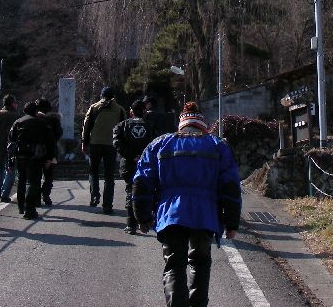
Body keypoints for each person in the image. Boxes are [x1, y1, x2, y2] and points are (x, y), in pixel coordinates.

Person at [132, 102, 241, 307]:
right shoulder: (217, 145)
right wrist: (232, 222)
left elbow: (141, 181)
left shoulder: (160, 144)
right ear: (202, 124)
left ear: (181, 123)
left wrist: (142, 217)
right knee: (200, 262)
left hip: (170, 214)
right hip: (205, 214)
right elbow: (231, 186)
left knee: (174, 264)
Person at [112, 98, 155, 234]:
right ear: (144, 111)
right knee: (148, 191)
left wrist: (131, 156)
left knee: (130, 191)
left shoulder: (121, 125)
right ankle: (147, 220)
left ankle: (131, 224)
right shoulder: (151, 126)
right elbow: (156, 143)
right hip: (147, 164)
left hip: (128, 164)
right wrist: (143, 156)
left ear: (131, 112)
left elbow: (117, 143)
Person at [82, 86, 126, 214]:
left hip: (95, 143)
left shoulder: (94, 107)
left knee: (93, 171)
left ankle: (95, 194)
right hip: (111, 145)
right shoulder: (120, 109)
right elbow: (123, 128)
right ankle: (107, 205)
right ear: (114, 96)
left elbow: (87, 126)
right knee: (109, 176)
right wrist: (122, 146)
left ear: (101, 95)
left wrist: (84, 143)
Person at [9, 100, 56, 219]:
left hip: (20, 155)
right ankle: (30, 210)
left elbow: (11, 138)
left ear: (24, 111)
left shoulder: (18, 122)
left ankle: (21, 206)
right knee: (33, 182)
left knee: (21, 180)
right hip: (36, 156)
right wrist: (50, 157)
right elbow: (50, 142)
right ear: (36, 111)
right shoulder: (42, 123)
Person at [0, 94, 20, 202]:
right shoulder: (16, 117)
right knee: (10, 170)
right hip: (11, 147)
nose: (17, 105)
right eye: (15, 102)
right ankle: (5, 194)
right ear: (12, 104)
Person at [35, 97, 63, 206]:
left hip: (35, 151)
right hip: (50, 151)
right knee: (49, 175)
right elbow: (59, 134)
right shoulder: (54, 120)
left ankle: (36, 197)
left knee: (36, 175)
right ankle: (46, 194)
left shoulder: (34, 118)